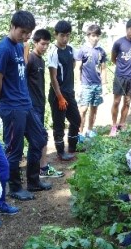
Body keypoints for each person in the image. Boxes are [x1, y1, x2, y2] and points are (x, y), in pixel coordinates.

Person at [0, 10, 51, 200]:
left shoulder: (19, 47)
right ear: (13, 26)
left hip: (26, 104)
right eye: (23, 32)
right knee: (14, 149)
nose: (25, 36)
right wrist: (4, 100)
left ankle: (33, 181)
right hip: (12, 107)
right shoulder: (4, 48)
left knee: (39, 139)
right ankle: (15, 188)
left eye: (28, 33)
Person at [26, 29, 64, 178]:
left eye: (47, 44)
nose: (45, 47)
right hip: (31, 106)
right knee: (40, 137)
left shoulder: (41, 60)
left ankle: (42, 168)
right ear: (35, 42)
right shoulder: (30, 59)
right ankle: (41, 168)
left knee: (40, 137)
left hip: (40, 104)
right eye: (42, 44)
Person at [48, 20, 80, 161]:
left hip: (69, 92)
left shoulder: (71, 49)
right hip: (58, 94)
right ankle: (61, 152)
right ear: (56, 35)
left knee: (76, 120)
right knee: (59, 123)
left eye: (67, 35)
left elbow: (73, 64)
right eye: (62, 35)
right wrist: (60, 97)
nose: (65, 39)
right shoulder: (53, 52)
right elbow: (53, 77)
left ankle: (72, 146)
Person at [110, 18, 131, 137]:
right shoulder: (119, 42)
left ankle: (122, 124)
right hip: (120, 76)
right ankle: (114, 125)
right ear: (127, 29)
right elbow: (113, 58)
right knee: (116, 101)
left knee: (127, 102)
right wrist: (121, 67)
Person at [75, 24, 108, 139]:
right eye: (93, 35)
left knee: (94, 108)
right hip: (85, 84)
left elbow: (103, 68)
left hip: (97, 85)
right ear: (88, 36)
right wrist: (78, 84)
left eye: (97, 36)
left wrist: (104, 85)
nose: (95, 38)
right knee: (83, 109)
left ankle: (90, 130)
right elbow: (77, 68)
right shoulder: (82, 50)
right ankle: (79, 133)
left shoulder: (101, 51)